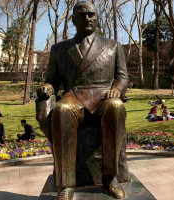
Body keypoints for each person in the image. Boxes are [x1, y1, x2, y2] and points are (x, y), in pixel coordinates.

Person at [37, 2, 128, 199]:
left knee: (116, 106)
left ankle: (110, 177)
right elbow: (52, 80)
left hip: (104, 95)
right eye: (82, 15)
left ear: (97, 18)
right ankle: (66, 184)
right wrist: (47, 87)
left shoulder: (113, 46)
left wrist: (117, 89)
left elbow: (122, 77)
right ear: (73, 20)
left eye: (91, 15)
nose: (87, 18)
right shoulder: (59, 49)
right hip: (74, 95)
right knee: (61, 110)